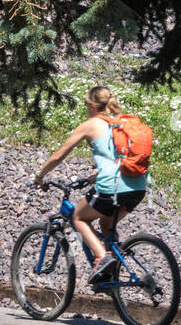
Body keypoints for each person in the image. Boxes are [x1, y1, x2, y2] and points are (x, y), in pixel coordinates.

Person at [32, 85, 148, 284]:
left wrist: (40, 175)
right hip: (138, 186)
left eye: (86, 104)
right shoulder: (121, 122)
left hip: (112, 187)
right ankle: (113, 267)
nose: (86, 108)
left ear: (93, 105)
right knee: (105, 223)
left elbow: (59, 155)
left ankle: (103, 258)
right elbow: (119, 157)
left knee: (78, 217)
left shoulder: (91, 124)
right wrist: (95, 175)